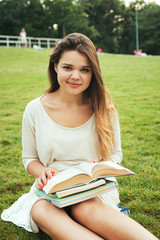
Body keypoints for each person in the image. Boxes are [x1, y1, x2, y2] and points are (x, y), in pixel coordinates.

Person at [1, 33, 158, 240]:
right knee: (40, 211)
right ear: (55, 66)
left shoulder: (105, 108)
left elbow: (115, 154)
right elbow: (29, 159)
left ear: (93, 73)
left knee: (84, 208)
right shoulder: (34, 109)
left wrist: (101, 167)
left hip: (92, 190)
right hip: (49, 192)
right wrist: (43, 171)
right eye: (68, 68)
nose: (76, 76)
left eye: (85, 70)